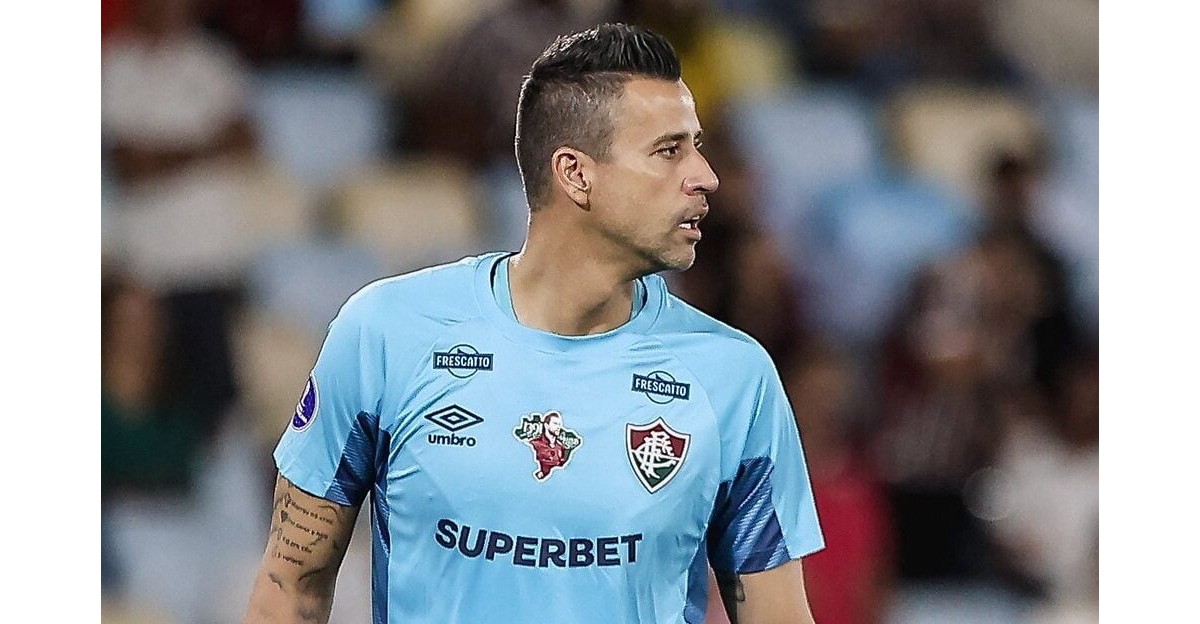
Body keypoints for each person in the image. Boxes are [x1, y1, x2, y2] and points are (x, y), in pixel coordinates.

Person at [243, 23, 824, 624]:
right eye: (669, 150)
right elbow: (289, 589)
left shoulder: (734, 377)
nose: (705, 175)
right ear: (576, 174)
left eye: (696, 146)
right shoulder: (387, 334)